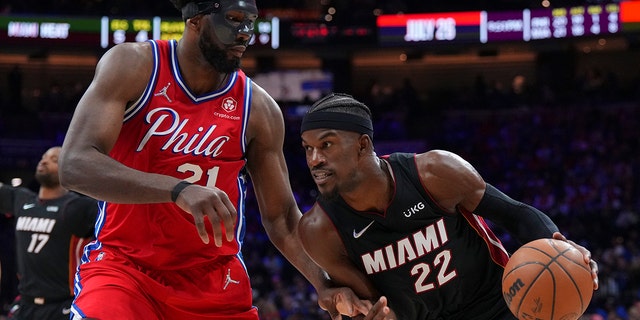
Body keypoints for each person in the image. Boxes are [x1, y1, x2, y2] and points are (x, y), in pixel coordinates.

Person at [58, 1, 370, 319]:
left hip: (214, 281)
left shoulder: (258, 109)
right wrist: (178, 189)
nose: (245, 33)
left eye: (250, 22)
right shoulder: (134, 66)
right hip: (125, 270)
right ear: (195, 20)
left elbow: (283, 219)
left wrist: (324, 283)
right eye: (234, 19)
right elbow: (74, 165)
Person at [297, 93, 600, 320]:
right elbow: (374, 302)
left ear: (363, 145)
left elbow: (515, 213)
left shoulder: (434, 173)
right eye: (308, 149)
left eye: (326, 145)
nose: (314, 160)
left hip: (498, 306)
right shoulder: (321, 230)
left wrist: (558, 246)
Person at [0, 146, 98, 320]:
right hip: (25, 304)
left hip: (63, 305)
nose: (44, 161)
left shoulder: (78, 207)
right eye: (43, 157)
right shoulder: (23, 200)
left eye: (54, 160)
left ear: (69, 170)